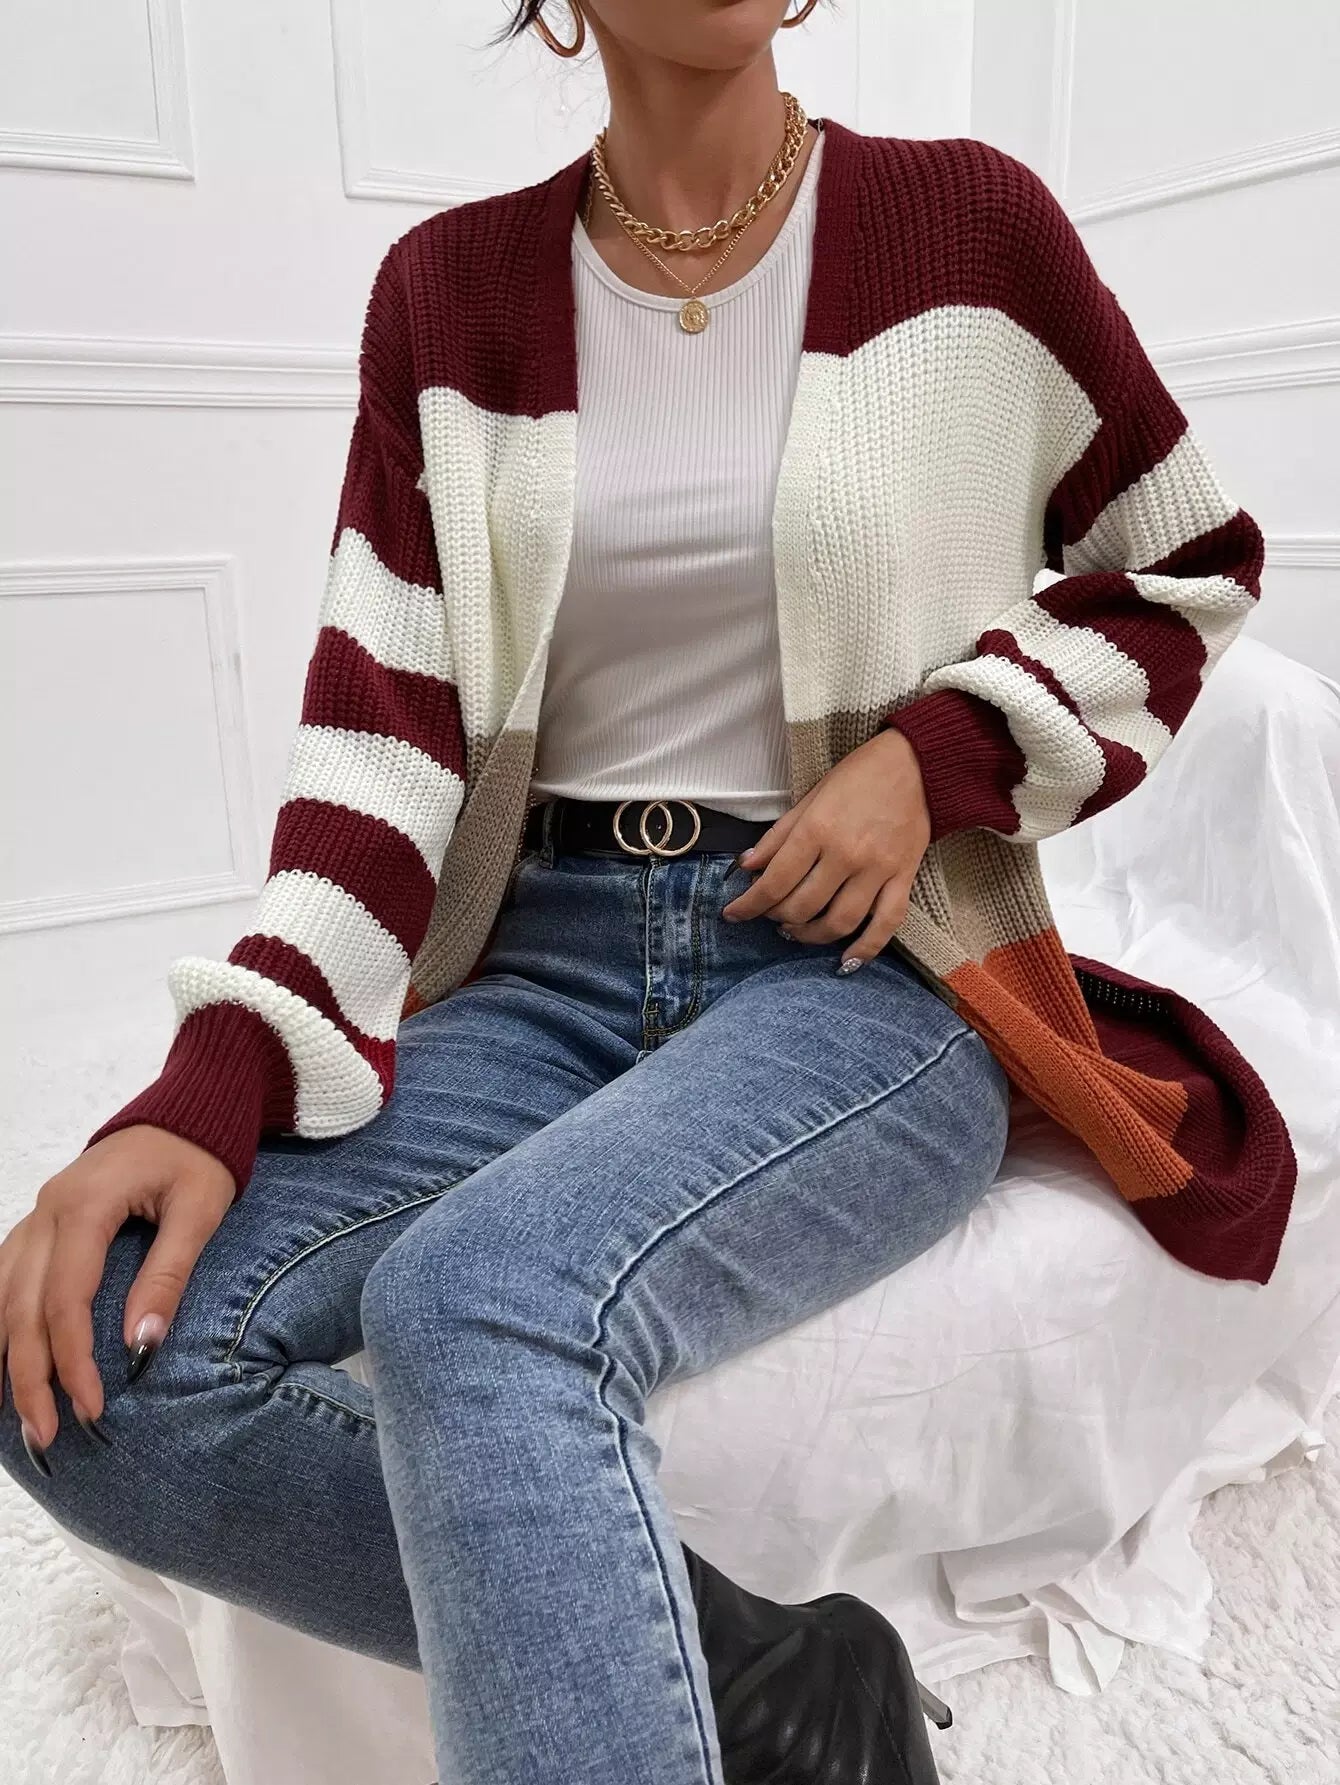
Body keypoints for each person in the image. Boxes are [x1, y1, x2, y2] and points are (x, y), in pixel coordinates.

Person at [0, 2, 1293, 1782]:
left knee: (474, 1302)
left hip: (863, 975)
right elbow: (384, 741)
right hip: (538, 966)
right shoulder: (450, 293)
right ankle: (758, 1664)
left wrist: (937, 755)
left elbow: (1184, 562)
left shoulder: (970, 226)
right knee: (87, 1366)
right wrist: (206, 1089)